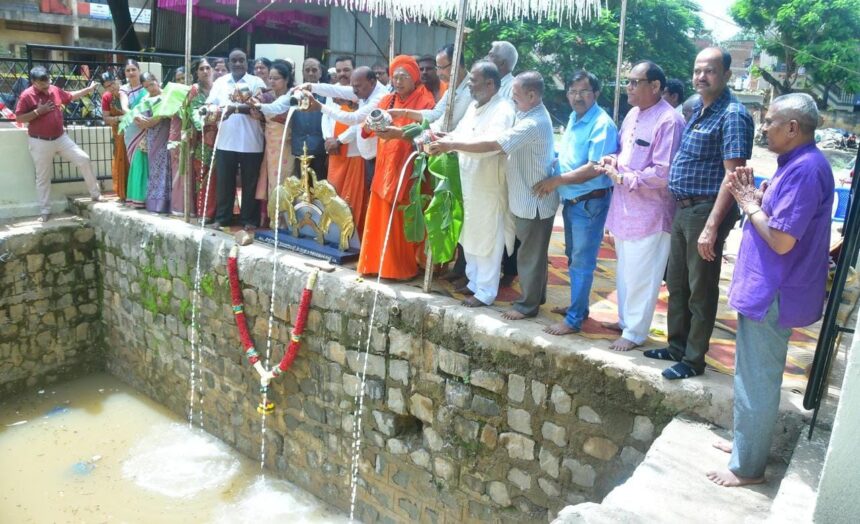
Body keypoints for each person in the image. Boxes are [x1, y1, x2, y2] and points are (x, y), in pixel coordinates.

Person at [707, 93, 833, 487]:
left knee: (758, 377)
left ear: (793, 128)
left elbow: (781, 240)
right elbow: (778, 219)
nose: (763, 128)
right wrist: (759, 199)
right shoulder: (793, 164)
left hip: (776, 291)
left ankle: (748, 468)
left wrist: (748, 204)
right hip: (766, 288)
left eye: (770, 121)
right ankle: (746, 442)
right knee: (749, 372)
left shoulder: (807, 169)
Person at [644, 47, 754, 379]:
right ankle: (676, 347)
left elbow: (732, 176)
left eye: (709, 71)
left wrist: (711, 226)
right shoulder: (701, 110)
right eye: (697, 70)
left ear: (726, 75)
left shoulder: (732, 114)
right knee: (677, 284)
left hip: (705, 212)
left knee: (700, 289)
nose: (700, 77)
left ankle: (693, 360)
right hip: (684, 209)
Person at [427, 72, 558, 319]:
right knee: (527, 251)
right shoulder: (523, 113)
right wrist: (451, 139)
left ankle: (522, 304)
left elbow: (494, 144)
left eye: (516, 94)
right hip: (514, 193)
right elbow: (471, 136)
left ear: (532, 95)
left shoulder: (528, 120)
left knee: (526, 254)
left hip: (531, 199)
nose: (512, 98)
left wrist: (452, 145)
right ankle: (508, 291)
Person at [597, 61, 686, 351]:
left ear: (656, 86)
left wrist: (624, 177)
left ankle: (635, 332)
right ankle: (626, 321)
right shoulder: (633, 114)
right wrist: (613, 160)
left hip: (650, 213)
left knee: (642, 276)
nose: (629, 88)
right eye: (628, 82)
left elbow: (664, 172)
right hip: (624, 209)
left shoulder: (669, 121)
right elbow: (625, 153)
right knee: (625, 272)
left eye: (635, 82)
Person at [533, 71, 618, 335]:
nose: (577, 97)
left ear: (596, 94)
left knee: (581, 261)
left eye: (583, 91)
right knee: (572, 257)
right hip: (573, 201)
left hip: (589, 203)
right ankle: (577, 307)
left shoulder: (602, 124)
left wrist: (556, 180)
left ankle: (574, 319)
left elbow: (595, 168)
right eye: (572, 91)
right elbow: (570, 155)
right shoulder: (575, 117)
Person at [427, 61, 516, 307]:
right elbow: (463, 134)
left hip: (489, 185)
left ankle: (486, 291)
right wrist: (445, 139)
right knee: (471, 234)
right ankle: (475, 282)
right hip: (469, 183)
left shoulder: (503, 110)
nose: (468, 85)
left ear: (490, 83)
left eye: (473, 81)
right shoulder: (476, 107)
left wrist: (452, 145)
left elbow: (491, 145)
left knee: (488, 237)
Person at [356, 55, 436, 280]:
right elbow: (365, 130)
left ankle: (398, 268)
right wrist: (374, 123)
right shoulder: (387, 100)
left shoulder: (425, 100)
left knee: (401, 219)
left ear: (415, 78)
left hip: (409, 167)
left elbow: (425, 132)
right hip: (384, 166)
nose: (399, 81)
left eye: (404, 76)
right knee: (380, 215)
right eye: (396, 77)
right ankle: (374, 264)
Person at [290, 64, 388, 230]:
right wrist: (311, 86)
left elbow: (354, 119)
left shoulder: (380, 96)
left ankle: (359, 234)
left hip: (373, 153)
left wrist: (320, 107)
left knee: (364, 198)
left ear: (372, 81)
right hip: (365, 153)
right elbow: (338, 91)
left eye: (357, 87)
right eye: (353, 86)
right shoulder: (365, 89)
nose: (354, 91)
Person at [14, 66, 102, 222]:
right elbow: (19, 118)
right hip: (40, 141)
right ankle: (45, 211)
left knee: (83, 159)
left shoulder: (54, 89)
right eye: (42, 82)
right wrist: (37, 112)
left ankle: (95, 194)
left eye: (47, 80)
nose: (46, 84)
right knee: (43, 177)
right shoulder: (27, 96)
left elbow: (69, 96)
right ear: (33, 82)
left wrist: (87, 90)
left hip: (61, 138)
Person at [205, 48, 267, 229]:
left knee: (250, 183)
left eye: (242, 60)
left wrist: (233, 109)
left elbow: (261, 107)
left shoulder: (256, 82)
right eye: (234, 61)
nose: (238, 64)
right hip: (226, 140)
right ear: (228, 63)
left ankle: (249, 220)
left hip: (251, 141)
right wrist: (215, 112)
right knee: (225, 182)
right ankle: (223, 218)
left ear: (247, 62)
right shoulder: (220, 82)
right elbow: (210, 104)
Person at [389, 44, 471, 133]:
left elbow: (444, 124)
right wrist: (403, 113)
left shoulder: (471, 90)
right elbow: (436, 114)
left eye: (441, 68)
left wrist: (401, 133)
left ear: (456, 64)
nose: (438, 73)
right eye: (437, 68)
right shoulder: (452, 89)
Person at [253, 60, 296, 228]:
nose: (271, 81)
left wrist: (260, 107)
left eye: (276, 78)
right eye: (270, 78)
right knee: (273, 182)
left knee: (284, 180)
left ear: (286, 80)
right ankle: (276, 222)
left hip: (286, 146)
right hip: (271, 147)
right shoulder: (272, 96)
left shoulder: (291, 97)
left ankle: (287, 223)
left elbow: (279, 113)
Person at [134, 73, 172, 214]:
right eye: (146, 86)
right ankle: (155, 204)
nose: (150, 88)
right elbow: (136, 116)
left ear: (157, 81)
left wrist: (151, 121)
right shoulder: (145, 99)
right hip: (151, 137)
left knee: (166, 168)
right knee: (154, 169)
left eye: (152, 84)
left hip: (166, 135)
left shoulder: (167, 96)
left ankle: (166, 204)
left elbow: (163, 115)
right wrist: (139, 119)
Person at [186, 58, 217, 220]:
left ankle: (220, 213)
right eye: (201, 69)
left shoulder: (219, 87)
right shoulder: (195, 90)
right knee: (204, 175)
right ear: (197, 73)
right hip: (203, 141)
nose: (205, 71)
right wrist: (204, 123)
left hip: (222, 139)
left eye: (208, 68)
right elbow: (194, 113)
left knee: (221, 176)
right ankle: (205, 212)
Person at [119, 59, 149, 209]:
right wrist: (135, 115)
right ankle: (136, 198)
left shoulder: (146, 85)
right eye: (128, 70)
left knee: (147, 163)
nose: (131, 73)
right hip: (133, 129)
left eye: (133, 69)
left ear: (139, 70)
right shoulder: (124, 89)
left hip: (148, 127)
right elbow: (124, 107)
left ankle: (148, 197)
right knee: (137, 162)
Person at [100, 71, 128, 202]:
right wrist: (119, 118)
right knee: (120, 159)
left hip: (134, 130)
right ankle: (122, 193)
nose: (111, 87)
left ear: (117, 80)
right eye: (107, 86)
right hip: (118, 133)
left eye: (112, 84)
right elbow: (106, 118)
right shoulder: (107, 97)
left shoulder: (127, 91)